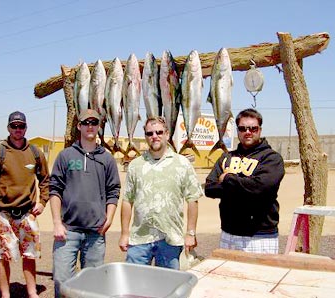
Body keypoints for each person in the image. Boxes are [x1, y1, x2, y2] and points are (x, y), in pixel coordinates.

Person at [49, 109, 121, 297]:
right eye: (86, 122)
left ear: (99, 127)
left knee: (94, 287)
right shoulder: (65, 156)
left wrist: (109, 218)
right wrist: (57, 222)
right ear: (79, 126)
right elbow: (54, 189)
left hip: (95, 235)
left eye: (94, 122)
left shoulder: (107, 159)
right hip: (68, 232)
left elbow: (114, 191)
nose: (90, 126)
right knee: (62, 282)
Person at [118, 116, 203, 270]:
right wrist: (125, 233)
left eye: (159, 132)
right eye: (150, 133)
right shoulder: (135, 166)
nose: (154, 136)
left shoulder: (182, 164)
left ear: (167, 134)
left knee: (168, 288)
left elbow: (193, 199)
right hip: (139, 239)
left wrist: (191, 233)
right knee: (133, 287)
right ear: (145, 137)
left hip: (170, 240)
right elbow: (127, 201)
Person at [0, 111, 49, 298]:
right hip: (3, 214)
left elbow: (45, 179)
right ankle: (5, 294)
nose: (18, 129)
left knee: (30, 255)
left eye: (21, 126)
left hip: (27, 213)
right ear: (8, 128)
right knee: (3, 256)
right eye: (14, 126)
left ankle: (32, 292)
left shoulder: (35, 153)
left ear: (26, 128)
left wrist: (43, 202)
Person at [205, 108, 285, 254]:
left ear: (260, 130)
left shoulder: (271, 158)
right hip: (229, 233)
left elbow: (260, 188)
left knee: (260, 277)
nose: (248, 132)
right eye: (243, 128)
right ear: (238, 131)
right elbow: (209, 188)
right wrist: (245, 185)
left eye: (253, 128)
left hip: (261, 236)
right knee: (227, 276)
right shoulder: (226, 157)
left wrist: (228, 178)